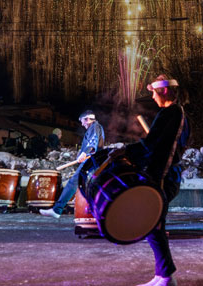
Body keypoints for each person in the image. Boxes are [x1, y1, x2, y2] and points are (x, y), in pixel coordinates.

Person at [120, 74, 190, 286]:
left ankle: (166, 276)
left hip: (163, 176)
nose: (152, 96)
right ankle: (163, 274)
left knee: (154, 223)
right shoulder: (173, 114)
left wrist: (125, 152)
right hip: (164, 174)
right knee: (154, 224)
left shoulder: (172, 113)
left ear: (165, 92)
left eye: (154, 92)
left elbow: (152, 145)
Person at [40, 110, 104, 218]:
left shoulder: (95, 127)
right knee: (91, 185)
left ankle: (57, 210)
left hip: (91, 161)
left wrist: (84, 153)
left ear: (87, 119)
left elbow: (93, 142)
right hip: (92, 161)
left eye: (82, 121)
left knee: (73, 183)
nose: (82, 124)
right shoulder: (95, 127)